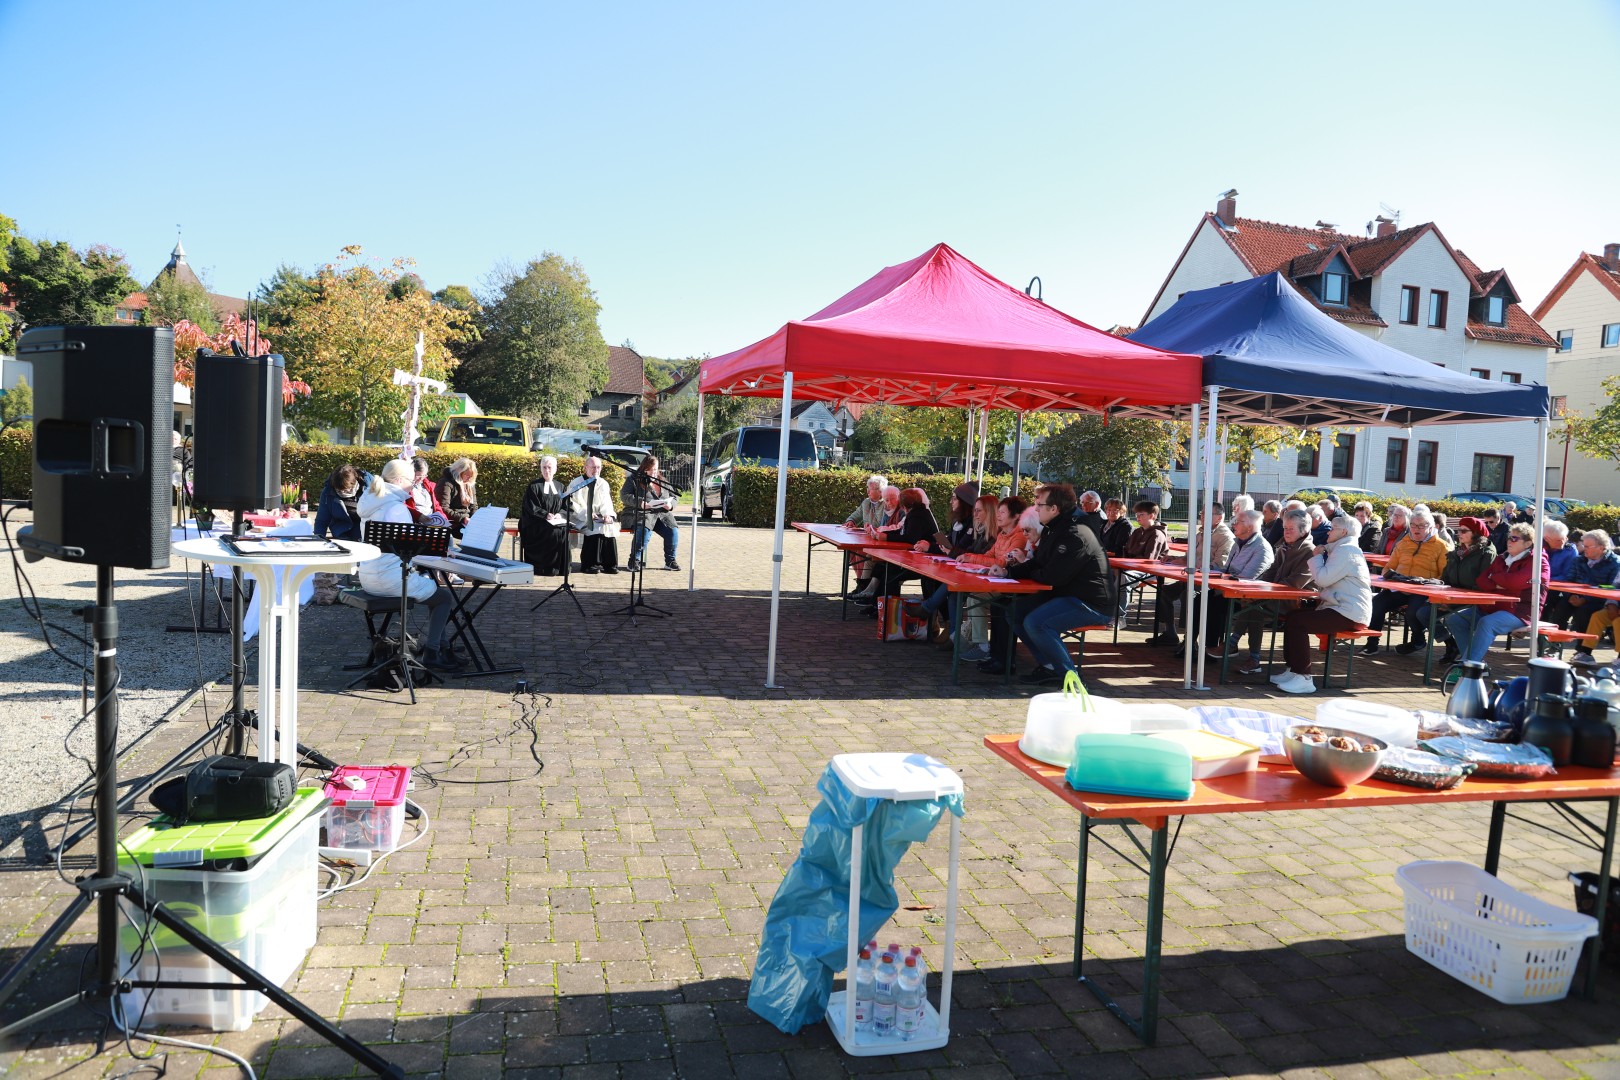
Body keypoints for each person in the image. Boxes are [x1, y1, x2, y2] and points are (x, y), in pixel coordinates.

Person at [1001, 484, 1113, 685]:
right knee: (1014, 611)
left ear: (1054, 509)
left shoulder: (1075, 532)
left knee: (1036, 622)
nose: (1035, 509)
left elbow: (1052, 577)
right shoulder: (1054, 528)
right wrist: (1008, 572)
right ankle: (1050, 666)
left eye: (1039, 505)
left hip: (1091, 603)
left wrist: (1030, 571)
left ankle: (1071, 679)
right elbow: (1039, 563)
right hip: (1066, 595)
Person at [355, 459, 461, 672]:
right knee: (443, 598)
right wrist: (441, 551)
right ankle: (433, 652)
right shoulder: (395, 508)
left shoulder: (372, 500)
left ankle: (442, 647)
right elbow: (409, 548)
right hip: (389, 578)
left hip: (367, 575)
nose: (414, 486)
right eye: (412, 481)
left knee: (434, 591)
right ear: (399, 480)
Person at [1271, 513, 1371, 694]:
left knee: (1299, 623)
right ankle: (1293, 670)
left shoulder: (1347, 551)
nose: (1328, 532)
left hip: (1349, 612)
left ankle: (1304, 678)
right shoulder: (1341, 549)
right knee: (1293, 616)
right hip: (1341, 608)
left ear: (1344, 532)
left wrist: (1316, 556)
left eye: (1333, 529)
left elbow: (1323, 579)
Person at [1444, 523, 1550, 664]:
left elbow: (1514, 582)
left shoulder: (1539, 562)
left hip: (1520, 611)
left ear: (1528, 543)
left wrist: (1495, 578)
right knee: (1455, 619)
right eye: (1508, 538)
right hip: (1492, 607)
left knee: (1487, 623)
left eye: (1514, 539)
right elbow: (1481, 581)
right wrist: (1502, 583)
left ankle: (1469, 664)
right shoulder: (1502, 558)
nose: (1509, 542)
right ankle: (1473, 661)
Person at [1226, 507, 1314, 675]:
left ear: (1303, 530)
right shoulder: (1284, 546)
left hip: (1298, 602)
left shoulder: (1309, 551)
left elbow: (1295, 582)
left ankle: (1244, 651)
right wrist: (1258, 587)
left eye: (1291, 529)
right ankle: (1246, 653)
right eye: (1285, 528)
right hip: (1278, 596)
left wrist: (1265, 591)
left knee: (1255, 608)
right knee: (1250, 602)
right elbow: (1271, 571)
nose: (1286, 532)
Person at [1183, 507, 1273, 660]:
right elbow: (1227, 569)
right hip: (1227, 591)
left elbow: (1246, 579)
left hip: (1247, 598)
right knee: (1199, 598)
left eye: (1239, 522)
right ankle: (1189, 644)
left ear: (1250, 527)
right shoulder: (1237, 543)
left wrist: (1222, 577)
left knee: (1213, 604)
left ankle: (1210, 647)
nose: (1234, 525)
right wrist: (1209, 569)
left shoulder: (1261, 548)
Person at [1404, 515, 1494, 663]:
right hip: (1451, 596)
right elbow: (1445, 578)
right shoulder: (1457, 552)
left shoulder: (1486, 553)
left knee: (1454, 619)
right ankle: (1451, 644)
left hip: (1473, 600)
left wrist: (1452, 602)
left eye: (1464, 531)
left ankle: (1470, 658)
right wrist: (1438, 591)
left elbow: (1482, 585)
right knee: (1423, 612)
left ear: (1476, 534)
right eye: (1459, 530)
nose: (1459, 534)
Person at [1362, 507, 1450, 655]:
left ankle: (1417, 640)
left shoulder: (1441, 546)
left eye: (1421, 526)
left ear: (1430, 527)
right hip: (1400, 588)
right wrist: (1391, 576)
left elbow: (1445, 575)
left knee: (1413, 612)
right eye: (1414, 525)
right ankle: (1372, 643)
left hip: (1423, 590)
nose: (1416, 529)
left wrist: (1431, 586)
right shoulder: (1403, 543)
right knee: (1376, 604)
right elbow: (1388, 567)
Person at [1149, 503, 1233, 648]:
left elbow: (1220, 565)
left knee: (1188, 595)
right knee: (1164, 592)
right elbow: (1187, 559)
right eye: (1201, 513)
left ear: (1218, 518)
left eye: (1207, 514)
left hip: (1209, 583)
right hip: (1191, 578)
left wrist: (1203, 568)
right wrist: (1172, 559)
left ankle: (1190, 639)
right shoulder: (1199, 534)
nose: (1202, 517)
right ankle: (1170, 633)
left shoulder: (1225, 537)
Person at [857, 488, 940, 608]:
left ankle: (885, 607)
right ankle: (876, 603)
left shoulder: (917, 515)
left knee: (890, 571)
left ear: (904, 505)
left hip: (924, 561)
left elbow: (909, 538)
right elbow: (902, 532)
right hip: (919, 557)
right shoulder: (917, 512)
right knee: (883, 566)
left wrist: (886, 537)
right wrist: (885, 535)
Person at [1570, 529, 1620, 665]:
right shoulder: (1580, 560)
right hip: (1616, 605)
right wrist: (1612, 605)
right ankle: (1586, 653)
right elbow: (1615, 586)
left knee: (1618, 621)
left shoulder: (1615, 562)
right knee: (1597, 617)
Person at [623, 455, 680, 571]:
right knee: (643, 530)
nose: (654, 473)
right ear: (645, 469)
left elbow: (674, 496)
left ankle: (670, 561)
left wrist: (671, 505)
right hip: (641, 513)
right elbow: (624, 495)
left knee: (672, 530)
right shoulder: (633, 479)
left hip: (661, 515)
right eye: (651, 470)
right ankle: (634, 560)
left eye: (656, 469)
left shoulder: (662, 480)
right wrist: (640, 502)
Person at [567, 454, 620, 574]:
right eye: (593, 467)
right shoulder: (576, 483)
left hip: (598, 516)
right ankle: (589, 564)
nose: (596, 470)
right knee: (594, 527)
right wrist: (587, 513)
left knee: (608, 526)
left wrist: (607, 515)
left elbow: (606, 502)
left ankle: (609, 565)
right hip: (580, 516)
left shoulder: (603, 483)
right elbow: (573, 504)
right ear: (585, 468)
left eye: (598, 467)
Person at [519, 455, 571, 576]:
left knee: (562, 530)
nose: (547, 470)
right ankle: (545, 568)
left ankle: (560, 568)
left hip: (555, 521)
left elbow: (567, 506)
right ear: (540, 469)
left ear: (555, 469)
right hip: (536, 523)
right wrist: (545, 515)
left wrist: (560, 514)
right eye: (544, 467)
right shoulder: (534, 486)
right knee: (552, 532)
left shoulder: (560, 486)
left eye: (549, 467)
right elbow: (531, 507)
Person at [844, 475, 887, 593]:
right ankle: (861, 582)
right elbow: (855, 514)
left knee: (861, 552)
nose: (867, 491)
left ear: (880, 491)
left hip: (879, 541)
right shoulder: (866, 502)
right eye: (867, 488)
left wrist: (876, 505)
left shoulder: (885, 504)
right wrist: (850, 521)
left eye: (870, 489)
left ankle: (864, 584)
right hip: (867, 538)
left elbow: (880, 523)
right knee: (852, 551)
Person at [313, 463, 368, 542]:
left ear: (354, 482)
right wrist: (318, 541)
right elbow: (321, 521)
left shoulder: (369, 489)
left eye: (345, 490)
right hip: (342, 535)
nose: (342, 492)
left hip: (364, 533)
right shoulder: (328, 492)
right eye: (338, 490)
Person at [439, 458, 478, 537]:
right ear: (458, 472)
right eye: (467, 475)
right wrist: (463, 519)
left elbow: (474, 506)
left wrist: (475, 519)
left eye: (471, 476)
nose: (469, 478)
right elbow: (443, 508)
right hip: (453, 522)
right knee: (475, 536)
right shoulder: (446, 483)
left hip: (466, 520)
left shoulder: (469, 484)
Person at [410, 456, 447, 523]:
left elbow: (436, 505)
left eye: (424, 476)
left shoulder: (429, 486)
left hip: (432, 520)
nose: (421, 479)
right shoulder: (407, 487)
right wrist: (419, 516)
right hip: (416, 521)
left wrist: (443, 518)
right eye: (418, 476)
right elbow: (406, 506)